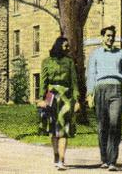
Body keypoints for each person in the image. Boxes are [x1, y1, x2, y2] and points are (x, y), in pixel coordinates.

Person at [86, 25, 122, 171]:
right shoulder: (95, 54)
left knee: (115, 123)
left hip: (116, 90)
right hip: (100, 89)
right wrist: (90, 93)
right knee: (103, 126)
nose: (110, 38)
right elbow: (91, 74)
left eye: (112, 36)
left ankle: (112, 160)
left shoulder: (120, 53)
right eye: (108, 35)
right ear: (102, 37)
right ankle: (104, 159)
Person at [37, 36, 80, 170]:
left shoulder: (69, 62)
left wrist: (77, 100)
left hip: (66, 97)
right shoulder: (46, 62)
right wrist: (41, 99)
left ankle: (61, 159)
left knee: (64, 129)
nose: (68, 49)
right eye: (65, 46)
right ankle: (56, 155)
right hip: (51, 96)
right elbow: (43, 82)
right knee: (53, 128)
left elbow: (74, 82)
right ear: (58, 46)